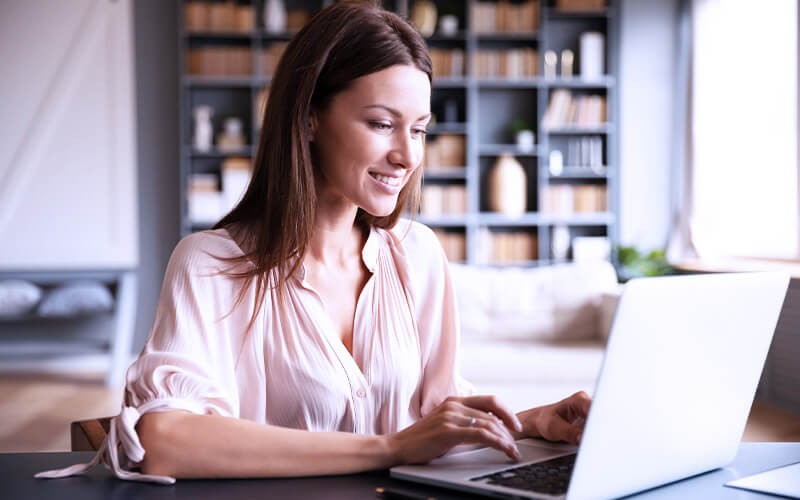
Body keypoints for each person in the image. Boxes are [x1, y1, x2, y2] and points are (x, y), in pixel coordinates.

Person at [37, 0, 590, 485]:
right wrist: (388, 448)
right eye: (381, 124)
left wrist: (534, 421)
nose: (407, 155)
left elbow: (432, 425)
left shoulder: (417, 255)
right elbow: (164, 441)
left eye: (419, 129)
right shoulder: (210, 264)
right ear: (308, 120)